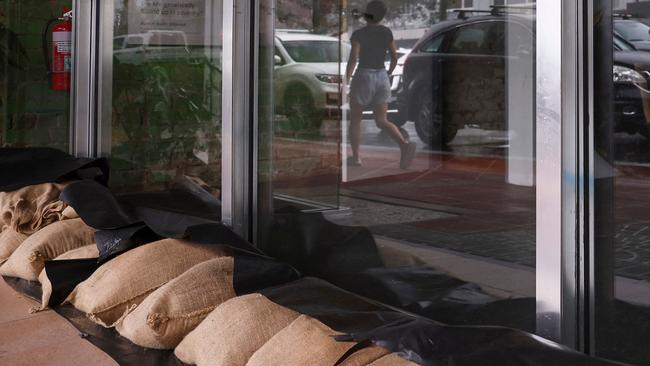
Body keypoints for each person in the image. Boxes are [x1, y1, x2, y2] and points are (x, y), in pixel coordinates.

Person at [345, 0, 416, 169]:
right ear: (382, 16)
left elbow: (354, 58)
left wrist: (347, 79)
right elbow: (393, 56)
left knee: (355, 120)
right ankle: (403, 144)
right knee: (381, 120)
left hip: (364, 75)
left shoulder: (359, 34)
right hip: (381, 76)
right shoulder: (386, 33)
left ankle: (356, 158)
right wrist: (388, 72)